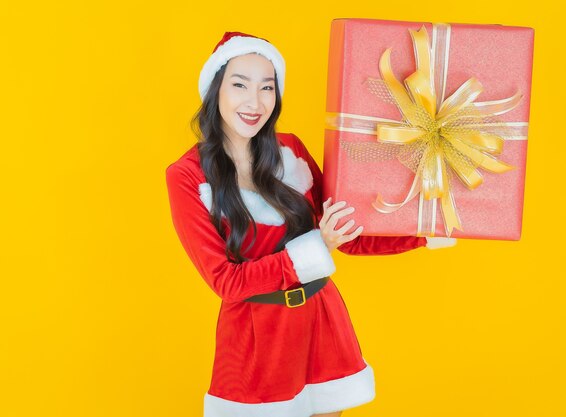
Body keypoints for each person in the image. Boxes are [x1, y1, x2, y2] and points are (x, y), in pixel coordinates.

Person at [165, 31, 456, 417]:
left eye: (267, 88)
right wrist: (318, 245)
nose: (254, 102)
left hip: (321, 321)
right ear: (215, 89)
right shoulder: (187, 176)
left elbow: (348, 234)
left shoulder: (292, 151)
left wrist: (422, 232)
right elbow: (227, 282)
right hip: (256, 336)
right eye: (239, 85)